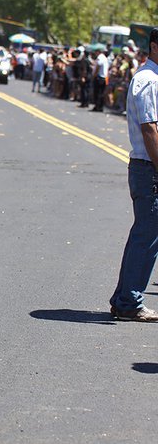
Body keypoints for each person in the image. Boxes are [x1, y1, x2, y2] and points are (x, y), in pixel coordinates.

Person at [110, 29, 158, 322]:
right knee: (146, 236)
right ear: (154, 46)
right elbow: (150, 128)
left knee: (146, 235)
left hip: (148, 167)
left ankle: (126, 298)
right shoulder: (149, 79)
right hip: (149, 167)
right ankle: (129, 302)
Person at [92, 45, 109, 112]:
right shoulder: (104, 58)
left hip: (99, 77)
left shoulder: (100, 57)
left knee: (98, 92)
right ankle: (100, 106)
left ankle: (97, 106)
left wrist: (94, 75)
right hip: (103, 77)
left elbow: (98, 66)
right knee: (101, 93)